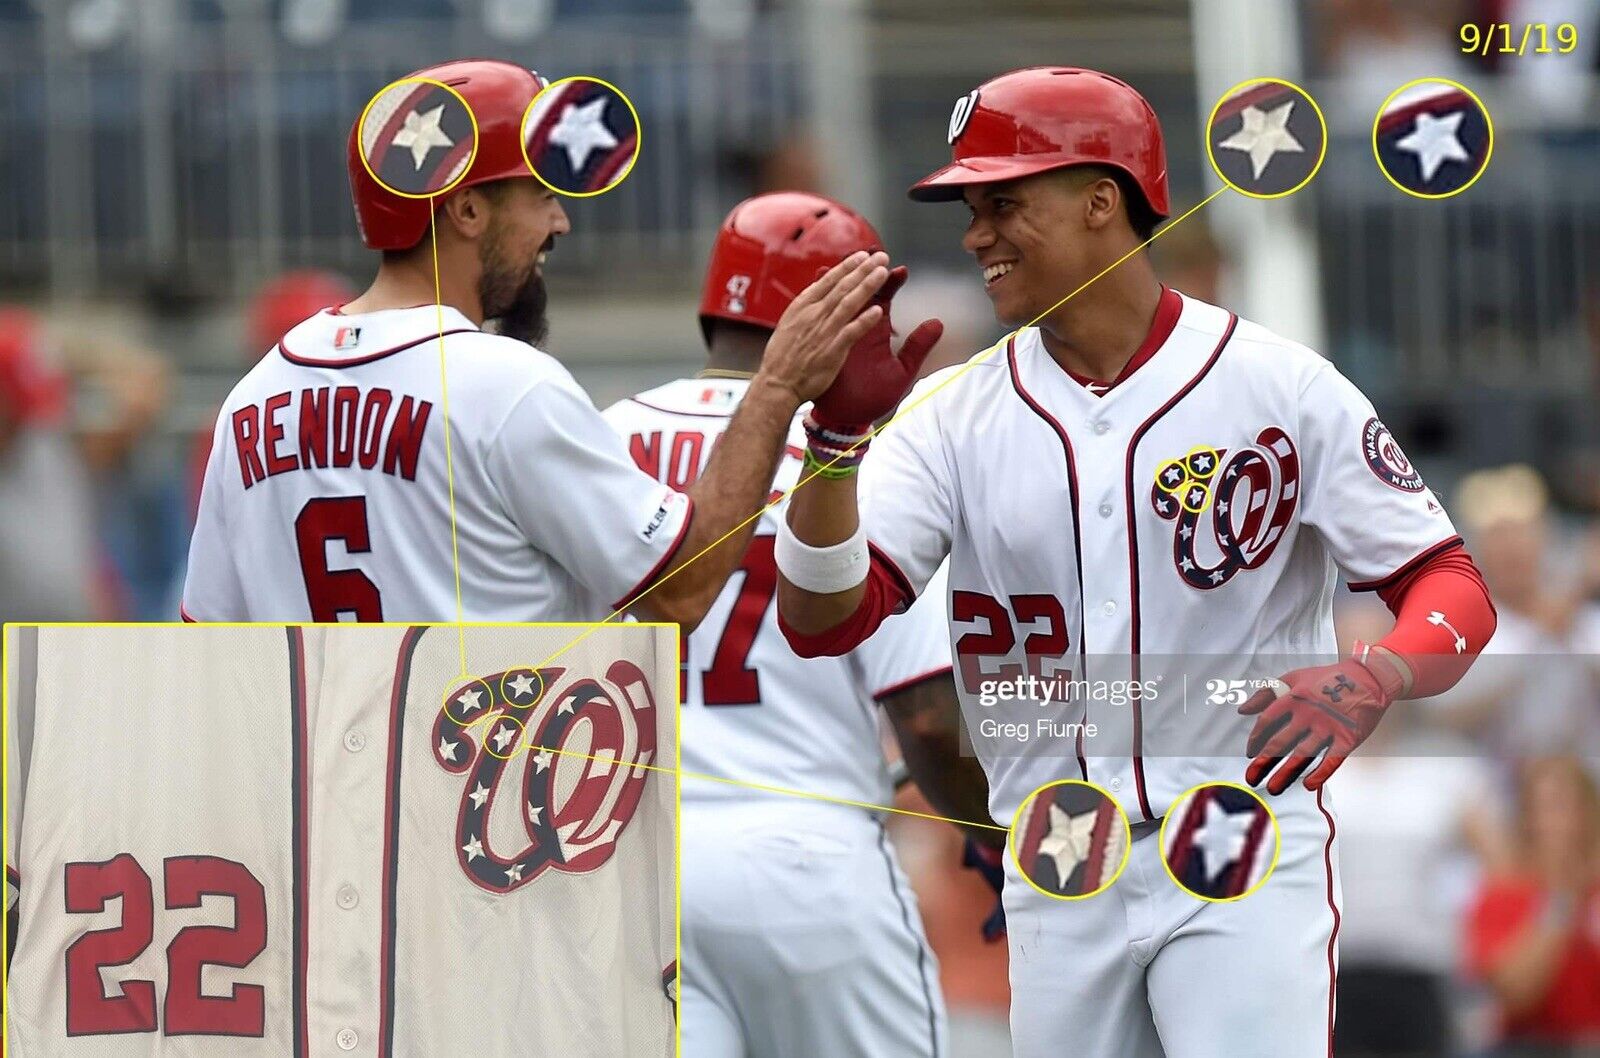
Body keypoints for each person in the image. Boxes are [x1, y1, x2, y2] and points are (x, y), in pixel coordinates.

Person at [774, 66, 1497, 1057]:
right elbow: (824, 620)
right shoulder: (950, 415)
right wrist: (834, 450)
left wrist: (1381, 669)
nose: (975, 233)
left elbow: (1449, 584)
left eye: (1002, 202)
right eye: (971, 208)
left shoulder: (1277, 384)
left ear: (1099, 200)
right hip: (1060, 853)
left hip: (1239, 839)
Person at [182, 59, 889, 625]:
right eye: (541, 196)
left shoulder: (254, 395)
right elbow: (680, 590)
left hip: (325, 798)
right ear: (466, 208)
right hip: (482, 795)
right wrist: (775, 389)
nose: (560, 223)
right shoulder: (501, 384)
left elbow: (208, 649)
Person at [603, 191, 992, 1057]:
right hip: (805, 861)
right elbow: (927, 719)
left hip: (621, 861)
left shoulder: (601, 438)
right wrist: (996, 840)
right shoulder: (861, 456)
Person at [1466, 756, 1600, 1057]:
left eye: (1561, 807)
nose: (1548, 824)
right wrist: (1561, 903)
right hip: (1528, 1045)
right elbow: (1516, 993)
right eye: (1538, 809)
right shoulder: (1504, 892)